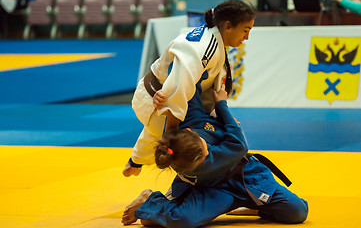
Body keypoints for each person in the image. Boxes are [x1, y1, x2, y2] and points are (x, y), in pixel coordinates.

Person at [121, 83, 309, 228]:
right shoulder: (195, 161)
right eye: (205, 155)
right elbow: (240, 144)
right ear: (195, 164)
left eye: (204, 148)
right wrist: (222, 105)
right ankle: (150, 200)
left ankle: (256, 206)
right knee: (182, 220)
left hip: (248, 177)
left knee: (298, 211)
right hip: (216, 192)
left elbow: (186, 79)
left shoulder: (186, 124)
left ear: (191, 133)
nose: (208, 152)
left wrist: (166, 95)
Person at [123, 0, 256, 177]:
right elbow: (177, 87)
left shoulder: (214, 40)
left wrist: (222, 116)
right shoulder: (202, 48)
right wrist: (172, 138)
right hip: (159, 101)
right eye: (245, 30)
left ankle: (135, 162)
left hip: (167, 99)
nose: (247, 37)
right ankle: (175, 197)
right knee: (202, 148)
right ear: (228, 26)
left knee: (160, 128)